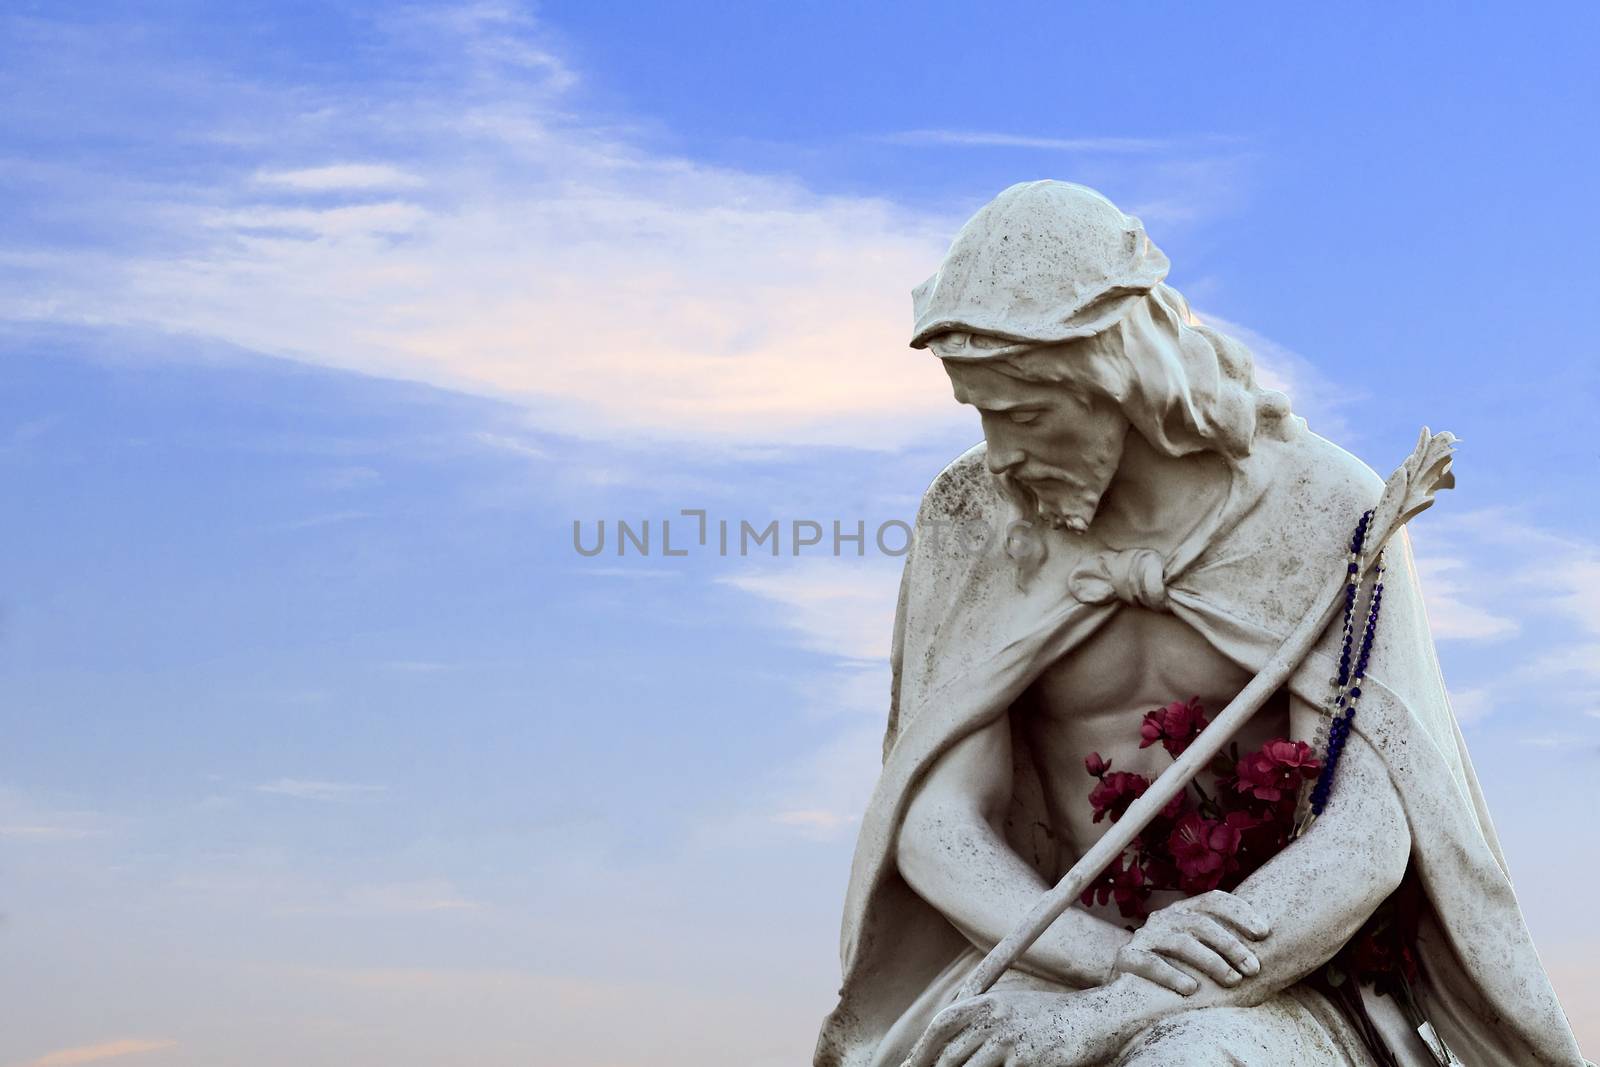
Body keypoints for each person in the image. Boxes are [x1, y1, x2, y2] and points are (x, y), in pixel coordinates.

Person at [814, 181, 1585, 1067]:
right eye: (980, 412)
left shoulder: (1322, 510)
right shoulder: (970, 520)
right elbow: (936, 820)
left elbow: (1369, 832)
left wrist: (1135, 1005)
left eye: (1024, 413)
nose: (1000, 452)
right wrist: (1108, 961)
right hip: (1045, 953)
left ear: (1117, 376)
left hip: (1276, 977)